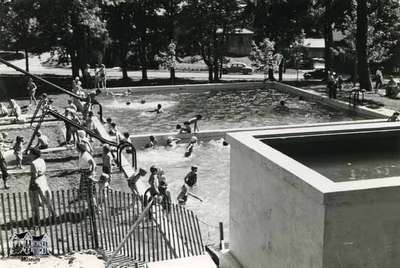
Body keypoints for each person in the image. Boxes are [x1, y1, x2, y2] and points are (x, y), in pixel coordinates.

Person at [29, 148, 55, 221]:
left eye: (31, 153)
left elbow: (34, 175)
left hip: (35, 181)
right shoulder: (42, 160)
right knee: (46, 198)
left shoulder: (33, 163)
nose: (30, 155)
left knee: (34, 199)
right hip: (43, 180)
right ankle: (53, 213)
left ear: (34, 154)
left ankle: (36, 216)